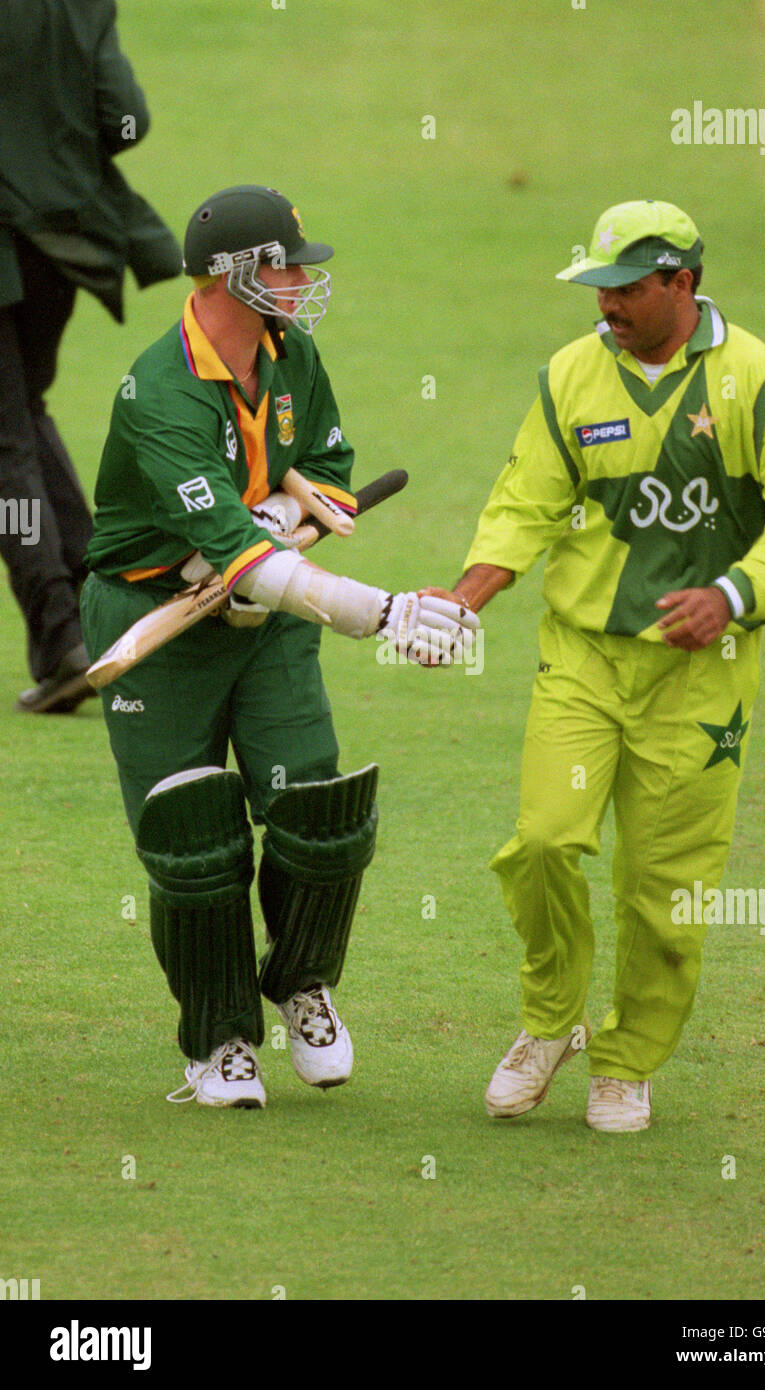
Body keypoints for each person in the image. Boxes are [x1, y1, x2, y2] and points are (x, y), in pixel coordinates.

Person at [426, 199, 765, 1133]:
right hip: (582, 661)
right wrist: (465, 596)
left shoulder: (759, 382)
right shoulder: (572, 375)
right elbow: (524, 503)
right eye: (599, 287)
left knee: (664, 893)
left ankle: (626, 1064)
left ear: (680, 284)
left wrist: (732, 595)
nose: (606, 305)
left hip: (701, 683)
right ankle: (547, 1024)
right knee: (541, 844)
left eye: (624, 289)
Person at [80, 184, 477, 1108]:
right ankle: (218, 1043)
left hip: (264, 629)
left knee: (320, 813)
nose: (303, 278)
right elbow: (242, 561)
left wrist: (286, 505)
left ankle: (301, 982)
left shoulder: (291, 353)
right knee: (193, 842)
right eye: (285, 264)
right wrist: (380, 612)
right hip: (159, 629)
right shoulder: (160, 394)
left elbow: (330, 477)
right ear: (231, 275)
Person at [0, 0, 182, 714]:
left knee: (5, 438)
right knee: (22, 418)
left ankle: (61, 636)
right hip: (58, 243)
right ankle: (97, 617)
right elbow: (124, 116)